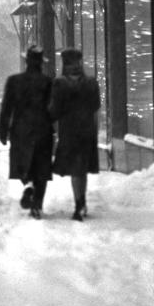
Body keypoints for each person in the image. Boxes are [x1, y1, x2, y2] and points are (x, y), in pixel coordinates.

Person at [0, 45, 53, 218]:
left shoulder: (14, 81)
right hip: (43, 130)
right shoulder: (48, 82)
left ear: (26, 61)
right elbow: (53, 108)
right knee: (41, 168)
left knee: (24, 164)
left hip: (21, 131)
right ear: (41, 63)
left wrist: (3, 130)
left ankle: (28, 185)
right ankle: (37, 203)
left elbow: (6, 108)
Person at [49, 47, 101, 221]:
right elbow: (95, 106)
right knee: (82, 169)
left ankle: (79, 204)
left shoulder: (60, 84)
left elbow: (54, 111)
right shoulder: (91, 83)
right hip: (87, 131)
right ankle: (82, 202)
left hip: (70, 132)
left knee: (75, 170)